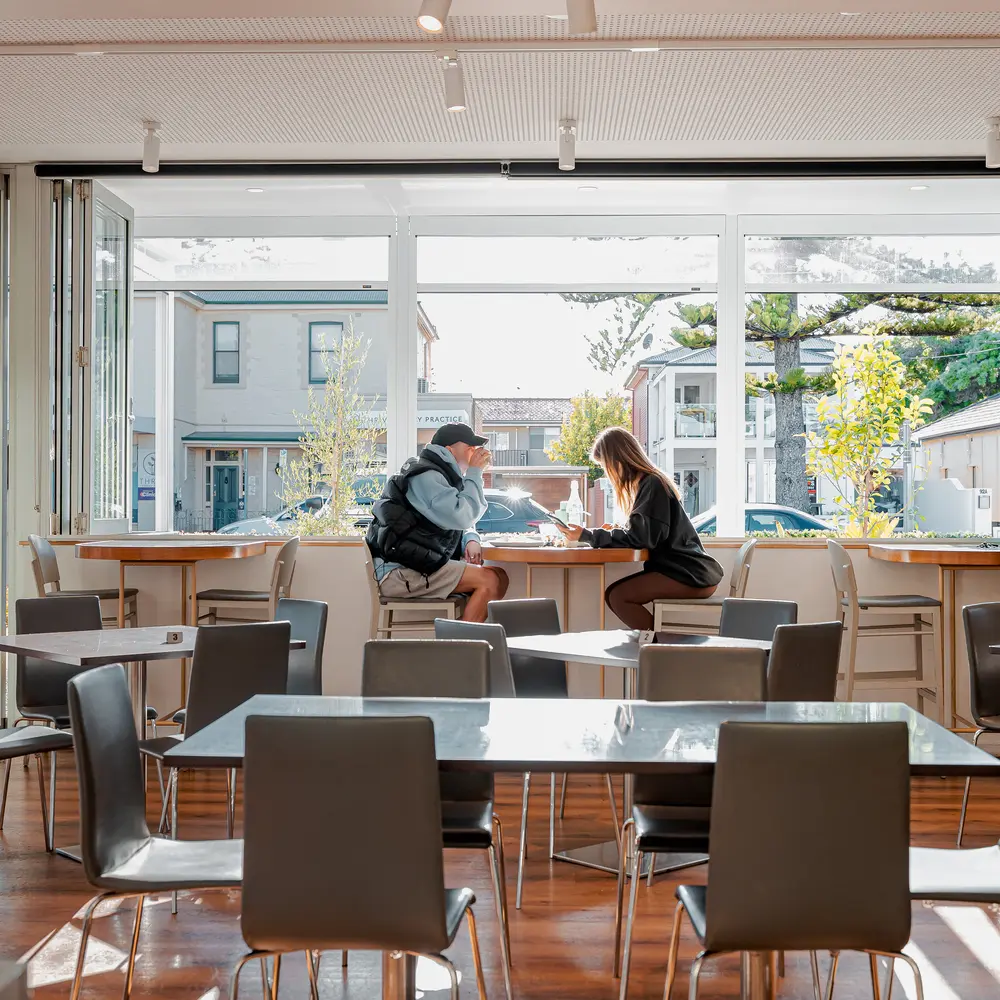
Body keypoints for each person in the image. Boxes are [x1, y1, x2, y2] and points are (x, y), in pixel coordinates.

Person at [555, 426, 723, 630]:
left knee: (618, 596)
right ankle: (657, 648)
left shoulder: (652, 485)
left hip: (689, 574)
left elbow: (642, 538)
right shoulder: (650, 483)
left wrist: (587, 535)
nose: (608, 474)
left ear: (618, 461)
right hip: (688, 571)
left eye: (606, 466)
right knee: (615, 595)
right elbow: (647, 533)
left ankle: (659, 651)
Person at [365, 422, 509, 622]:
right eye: (469, 448)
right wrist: (475, 472)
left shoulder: (440, 475)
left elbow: (457, 519)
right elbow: (462, 515)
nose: (475, 452)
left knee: (499, 576)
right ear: (449, 450)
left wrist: (471, 539)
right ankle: (459, 648)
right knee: (491, 580)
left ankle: (460, 640)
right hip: (399, 572)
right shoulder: (426, 476)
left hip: (414, 565)